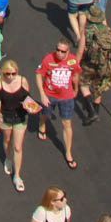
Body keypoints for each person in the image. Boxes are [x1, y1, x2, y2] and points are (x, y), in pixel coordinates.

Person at [36, 41, 81, 170]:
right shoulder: (48, 59)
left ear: (68, 52)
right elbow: (39, 75)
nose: (59, 53)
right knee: (45, 114)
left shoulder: (73, 61)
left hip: (66, 97)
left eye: (63, 51)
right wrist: (42, 94)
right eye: (58, 50)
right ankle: (42, 124)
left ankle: (68, 152)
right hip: (49, 95)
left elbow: (76, 74)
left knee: (67, 123)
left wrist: (76, 88)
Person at [0, 59, 35, 192]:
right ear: (3, 73)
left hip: (20, 117)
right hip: (5, 116)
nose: (10, 77)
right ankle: (8, 159)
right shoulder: (0, 83)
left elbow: (28, 98)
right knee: (7, 140)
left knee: (17, 146)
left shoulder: (23, 81)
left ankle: (17, 176)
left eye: (13, 73)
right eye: (7, 74)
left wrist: (30, 107)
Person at [76, 7, 111, 125]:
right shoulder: (109, 31)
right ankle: (96, 111)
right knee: (98, 88)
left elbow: (80, 51)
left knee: (83, 85)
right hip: (104, 65)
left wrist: (75, 65)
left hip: (88, 63)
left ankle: (91, 111)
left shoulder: (87, 31)